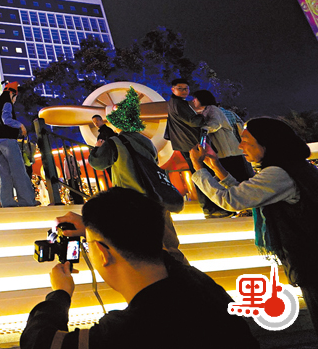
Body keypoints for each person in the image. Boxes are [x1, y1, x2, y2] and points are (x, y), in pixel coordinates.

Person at [21, 187, 258, 349]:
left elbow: (37, 341)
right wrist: (97, 230)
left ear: (103, 254)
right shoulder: (198, 284)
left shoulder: (128, 332)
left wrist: (60, 294)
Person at [191, 117, 318, 335]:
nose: (240, 146)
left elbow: (232, 200)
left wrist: (197, 167)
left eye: (246, 141)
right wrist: (216, 166)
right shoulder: (291, 167)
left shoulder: (278, 173)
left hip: (310, 257)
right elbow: (247, 192)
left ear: (266, 144)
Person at [88, 91, 187, 265]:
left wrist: (97, 147)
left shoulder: (115, 143)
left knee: (141, 247)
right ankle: (183, 274)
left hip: (132, 201)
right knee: (169, 245)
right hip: (156, 197)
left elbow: (97, 163)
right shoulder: (147, 141)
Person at [165, 78, 230, 218]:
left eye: (186, 89)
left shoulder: (174, 103)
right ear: (173, 89)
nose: (184, 91)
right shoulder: (179, 104)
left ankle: (211, 207)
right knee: (202, 174)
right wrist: (204, 119)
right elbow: (193, 121)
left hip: (186, 144)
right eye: (180, 88)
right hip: (191, 145)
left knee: (201, 174)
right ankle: (210, 209)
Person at [191, 89, 253, 189]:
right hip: (230, 151)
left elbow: (216, 123)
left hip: (228, 152)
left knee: (235, 179)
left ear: (202, 99)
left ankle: (245, 196)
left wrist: (204, 129)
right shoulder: (210, 110)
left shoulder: (212, 109)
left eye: (195, 99)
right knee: (237, 179)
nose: (193, 101)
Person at [0, 82, 38, 207]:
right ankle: (27, 201)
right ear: (11, 94)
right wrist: (21, 125)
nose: (15, 99)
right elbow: (6, 119)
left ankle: (8, 202)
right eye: (15, 96)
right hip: (8, 141)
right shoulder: (7, 104)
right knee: (19, 171)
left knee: (5, 174)